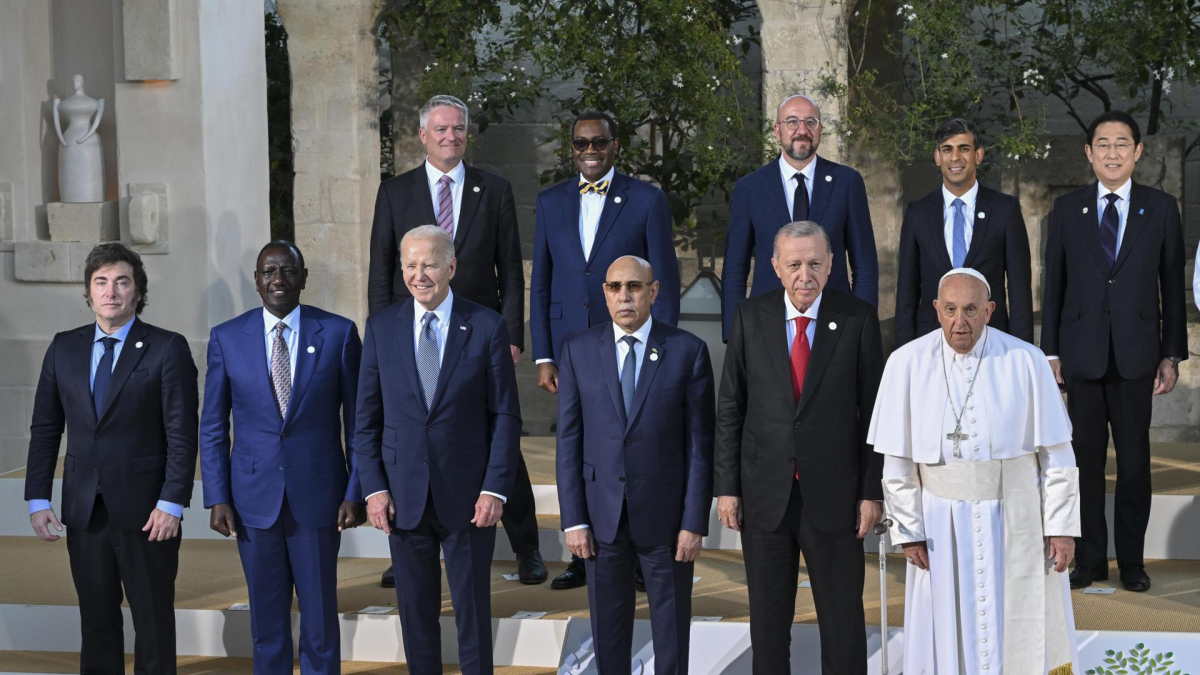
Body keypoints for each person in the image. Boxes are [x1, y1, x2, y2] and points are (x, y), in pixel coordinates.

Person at [367, 94, 545, 586]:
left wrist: (510, 334)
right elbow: (382, 271)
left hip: (479, 339)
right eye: (440, 130)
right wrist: (384, 342)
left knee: (496, 438)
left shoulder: (495, 189)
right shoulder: (395, 193)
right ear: (422, 136)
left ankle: (526, 544)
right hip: (414, 338)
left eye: (458, 129)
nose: (450, 137)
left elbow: (510, 267)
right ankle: (407, 540)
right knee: (410, 438)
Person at [870, 268, 1080, 675]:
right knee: (947, 628)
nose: (959, 323)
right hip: (939, 524)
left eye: (970, 310)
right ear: (936, 309)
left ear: (989, 310)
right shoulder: (907, 363)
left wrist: (1061, 526)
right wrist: (908, 530)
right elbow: (897, 461)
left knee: (1017, 629)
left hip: (1014, 519)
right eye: (949, 310)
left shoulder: (1025, 359)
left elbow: (1057, 455)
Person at [715, 221, 883, 675]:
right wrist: (727, 487)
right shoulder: (750, 316)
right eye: (794, 264)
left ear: (831, 266)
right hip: (765, 497)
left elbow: (873, 416)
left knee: (843, 625)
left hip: (836, 498)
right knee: (768, 630)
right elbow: (731, 407)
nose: (804, 274)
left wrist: (872, 492)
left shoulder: (858, 318)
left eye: (814, 263)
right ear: (775, 267)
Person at [24, 242, 198, 675]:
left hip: (148, 513)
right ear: (88, 291)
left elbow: (182, 433)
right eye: (101, 282)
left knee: (153, 620)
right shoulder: (64, 348)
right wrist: (38, 498)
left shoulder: (166, 348)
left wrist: (172, 502)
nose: (111, 291)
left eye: (122, 281)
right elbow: (46, 428)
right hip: (84, 511)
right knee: (96, 620)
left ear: (138, 290)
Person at [355, 225, 520, 675]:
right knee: (416, 616)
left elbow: (505, 416)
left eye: (428, 263)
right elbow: (365, 420)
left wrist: (495, 489)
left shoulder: (486, 326)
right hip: (403, 496)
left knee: (472, 615)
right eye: (410, 264)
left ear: (451, 266)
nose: (419, 274)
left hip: (469, 498)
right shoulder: (382, 327)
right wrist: (373, 488)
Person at [531, 110, 681, 590]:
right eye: (581, 144)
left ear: (616, 146)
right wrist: (543, 354)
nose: (590, 152)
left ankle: (638, 552)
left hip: (634, 345)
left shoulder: (647, 200)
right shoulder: (550, 201)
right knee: (580, 445)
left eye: (599, 143)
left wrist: (666, 350)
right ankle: (583, 552)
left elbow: (668, 282)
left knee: (633, 444)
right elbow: (543, 282)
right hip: (573, 349)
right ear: (570, 149)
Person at [200, 241, 365, 674]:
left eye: (288, 271)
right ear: (256, 281)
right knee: (266, 623)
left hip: (319, 498)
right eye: (268, 271)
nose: (278, 279)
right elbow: (214, 426)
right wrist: (217, 495)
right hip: (252, 501)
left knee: (320, 621)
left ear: (303, 278)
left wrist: (356, 490)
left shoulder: (339, 333)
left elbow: (361, 423)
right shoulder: (226, 337)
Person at [1041, 110, 1187, 592]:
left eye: (1122, 143)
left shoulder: (1161, 208)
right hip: (1081, 357)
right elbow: (1054, 285)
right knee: (1082, 462)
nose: (1112, 152)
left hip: (1136, 356)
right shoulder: (1067, 210)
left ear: (1137, 152)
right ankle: (1088, 559)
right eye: (1102, 144)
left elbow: (1171, 283)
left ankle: (1131, 562)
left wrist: (1171, 354)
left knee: (1134, 463)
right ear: (1088, 153)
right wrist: (1051, 354)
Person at [556, 255, 715, 674]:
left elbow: (701, 446)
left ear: (653, 291)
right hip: (600, 517)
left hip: (666, 521)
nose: (624, 295)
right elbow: (569, 441)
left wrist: (694, 522)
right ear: (604, 294)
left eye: (634, 286)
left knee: (672, 634)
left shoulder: (688, 351)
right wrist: (573, 520)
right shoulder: (577, 350)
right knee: (608, 635)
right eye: (614, 287)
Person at [721, 94, 878, 341]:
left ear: (820, 129)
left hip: (836, 321)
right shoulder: (749, 188)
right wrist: (733, 335)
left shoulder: (846, 183)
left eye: (810, 122)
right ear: (777, 130)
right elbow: (734, 269)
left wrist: (863, 329)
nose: (802, 130)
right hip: (766, 325)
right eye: (792, 122)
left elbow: (865, 265)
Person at [894, 117, 1033, 347]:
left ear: (978, 155)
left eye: (964, 149)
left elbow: (1019, 291)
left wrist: (1022, 352)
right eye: (947, 149)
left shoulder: (1004, 209)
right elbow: (907, 292)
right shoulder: (917, 212)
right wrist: (903, 352)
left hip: (991, 340)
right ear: (937, 157)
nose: (955, 157)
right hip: (931, 341)